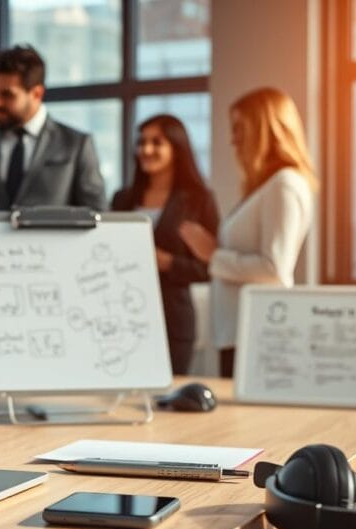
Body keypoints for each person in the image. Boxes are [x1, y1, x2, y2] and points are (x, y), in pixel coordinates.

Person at [0, 44, 107, 381]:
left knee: (46, 387)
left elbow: (96, 223)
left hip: (52, 298)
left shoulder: (75, 145)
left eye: (7, 94)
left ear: (36, 92)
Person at [179, 87, 317, 377]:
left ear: (265, 128)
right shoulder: (267, 187)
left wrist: (212, 255)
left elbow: (274, 269)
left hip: (258, 333)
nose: (233, 140)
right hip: (239, 332)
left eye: (240, 129)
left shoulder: (285, 185)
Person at [112, 115, 219, 375]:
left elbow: (211, 267)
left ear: (176, 147)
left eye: (156, 142)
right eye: (141, 142)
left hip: (173, 319)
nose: (145, 150)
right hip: (121, 317)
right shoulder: (123, 199)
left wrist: (167, 263)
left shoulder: (198, 200)